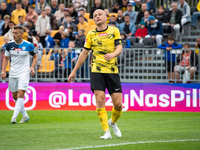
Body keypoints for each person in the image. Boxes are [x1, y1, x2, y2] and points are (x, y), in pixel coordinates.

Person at [68, 9, 123, 140]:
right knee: (100, 99)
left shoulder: (114, 31)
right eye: (95, 16)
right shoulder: (91, 34)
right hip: (97, 70)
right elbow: (84, 53)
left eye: (99, 15)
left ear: (106, 17)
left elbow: (120, 48)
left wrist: (113, 54)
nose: (97, 17)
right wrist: (74, 71)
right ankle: (106, 132)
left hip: (112, 71)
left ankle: (113, 122)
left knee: (118, 104)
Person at [1, 26, 38, 124]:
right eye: (13, 33)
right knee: (14, 95)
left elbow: (35, 57)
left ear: (22, 34)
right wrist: (3, 70)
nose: (14, 35)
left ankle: (14, 117)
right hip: (13, 72)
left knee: (21, 93)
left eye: (16, 33)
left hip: (24, 72)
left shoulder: (28, 45)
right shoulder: (9, 45)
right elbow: (6, 58)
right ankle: (25, 116)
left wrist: (32, 67)